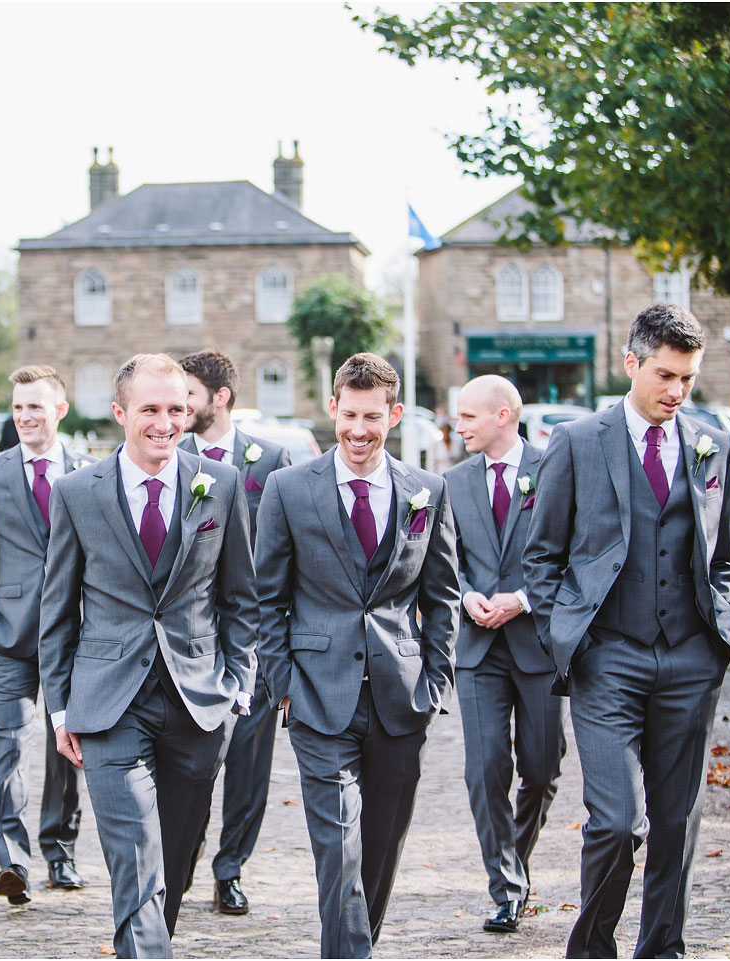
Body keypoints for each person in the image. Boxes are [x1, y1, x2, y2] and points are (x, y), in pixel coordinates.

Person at [524, 304, 730, 959]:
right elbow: (542, 557)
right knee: (618, 821)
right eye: (664, 375)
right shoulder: (577, 442)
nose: (676, 391)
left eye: (687, 378)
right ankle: (592, 947)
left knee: (678, 822)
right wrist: (569, 638)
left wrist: (716, 641)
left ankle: (663, 948)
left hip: (691, 659)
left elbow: (723, 557)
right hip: (608, 660)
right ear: (631, 364)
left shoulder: (715, 443)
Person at [39, 353, 258, 958]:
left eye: (176, 410)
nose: (165, 423)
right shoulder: (77, 493)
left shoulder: (221, 485)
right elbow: (57, 612)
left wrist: (238, 682)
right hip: (108, 704)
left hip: (198, 701)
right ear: (120, 414)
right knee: (134, 858)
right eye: (150, 410)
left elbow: (241, 597)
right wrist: (61, 711)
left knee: (176, 863)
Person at [254, 352, 460, 959]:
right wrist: (282, 682)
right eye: (350, 415)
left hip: (402, 694)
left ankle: (350, 943)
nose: (359, 430)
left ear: (394, 414)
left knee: (381, 843)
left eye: (373, 417)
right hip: (317, 694)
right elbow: (268, 597)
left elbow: (442, 595)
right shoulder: (290, 490)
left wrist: (436, 679)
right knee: (337, 844)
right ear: (332, 408)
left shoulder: (429, 491)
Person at [0, 365, 94, 905]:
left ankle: (59, 850)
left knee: (67, 747)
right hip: (9, 637)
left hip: (75, 638)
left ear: (58, 410)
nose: (24, 416)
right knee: (9, 745)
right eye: (18, 407)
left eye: (35, 407)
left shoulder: (89, 473)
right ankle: (12, 859)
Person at [444, 375, 566, 935]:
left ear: (502, 416)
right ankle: (505, 885)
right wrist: (467, 594)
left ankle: (514, 857)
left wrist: (521, 599)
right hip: (477, 649)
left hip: (538, 643)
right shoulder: (451, 482)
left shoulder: (554, 469)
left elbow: (574, 552)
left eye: (468, 416)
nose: (458, 425)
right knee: (486, 766)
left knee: (541, 769)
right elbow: (447, 561)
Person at [176, 348, 290, 916]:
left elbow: (291, 551)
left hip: (258, 637)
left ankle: (231, 868)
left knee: (249, 764)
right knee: (193, 761)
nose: (180, 406)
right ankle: (183, 858)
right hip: (191, 639)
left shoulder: (270, 460)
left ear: (218, 398)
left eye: (189, 395)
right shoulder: (169, 458)